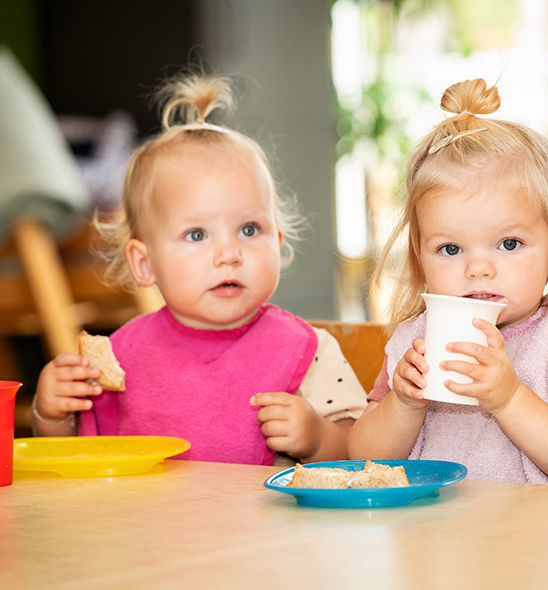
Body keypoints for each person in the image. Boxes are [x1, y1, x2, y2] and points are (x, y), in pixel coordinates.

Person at [32, 73, 367, 466]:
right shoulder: (120, 358)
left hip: (262, 528)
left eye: (248, 229)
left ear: (277, 242)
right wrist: (50, 414)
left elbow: (357, 450)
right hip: (145, 527)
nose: (229, 253)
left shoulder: (307, 351)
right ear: (145, 263)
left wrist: (317, 437)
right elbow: (79, 454)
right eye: (196, 235)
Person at [347, 78, 548, 485]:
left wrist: (510, 398)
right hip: (435, 542)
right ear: (419, 261)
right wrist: (403, 405)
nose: (478, 269)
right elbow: (362, 459)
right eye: (450, 249)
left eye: (509, 243)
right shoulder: (414, 344)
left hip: (539, 544)